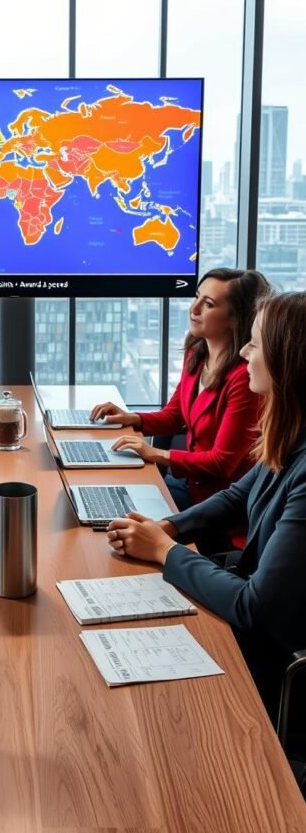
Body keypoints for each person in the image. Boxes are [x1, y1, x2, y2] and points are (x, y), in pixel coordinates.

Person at [106, 291, 306, 720]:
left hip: (273, 663)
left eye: (255, 343)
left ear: (286, 363)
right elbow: (237, 496)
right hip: (252, 623)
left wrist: (163, 551)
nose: (246, 353)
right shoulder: (290, 438)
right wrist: (168, 529)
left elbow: (255, 608)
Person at [91, 268, 271, 510]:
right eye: (196, 297)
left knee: (120, 511)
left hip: (218, 502)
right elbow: (175, 415)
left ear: (235, 318)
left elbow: (222, 462)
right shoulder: (197, 353)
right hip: (186, 483)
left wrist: (156, 454)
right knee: (108, 492)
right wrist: (130, 417)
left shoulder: (245, 379)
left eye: (208, 304)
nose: (193, 309)